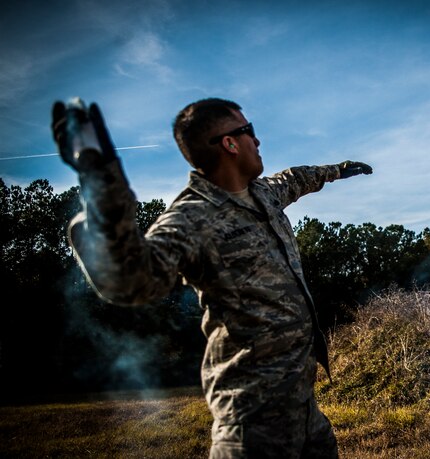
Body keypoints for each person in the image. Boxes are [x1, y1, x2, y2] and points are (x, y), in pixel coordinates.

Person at [51, 97, 373, 458]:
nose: (258, 140)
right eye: (249, 131)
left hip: (305, 410)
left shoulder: (264, 194)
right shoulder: (191, 217)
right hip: (252, 423)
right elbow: (132, 281)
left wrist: (338, 169)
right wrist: (102, 181)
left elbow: (296, 178)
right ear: (230, 143)